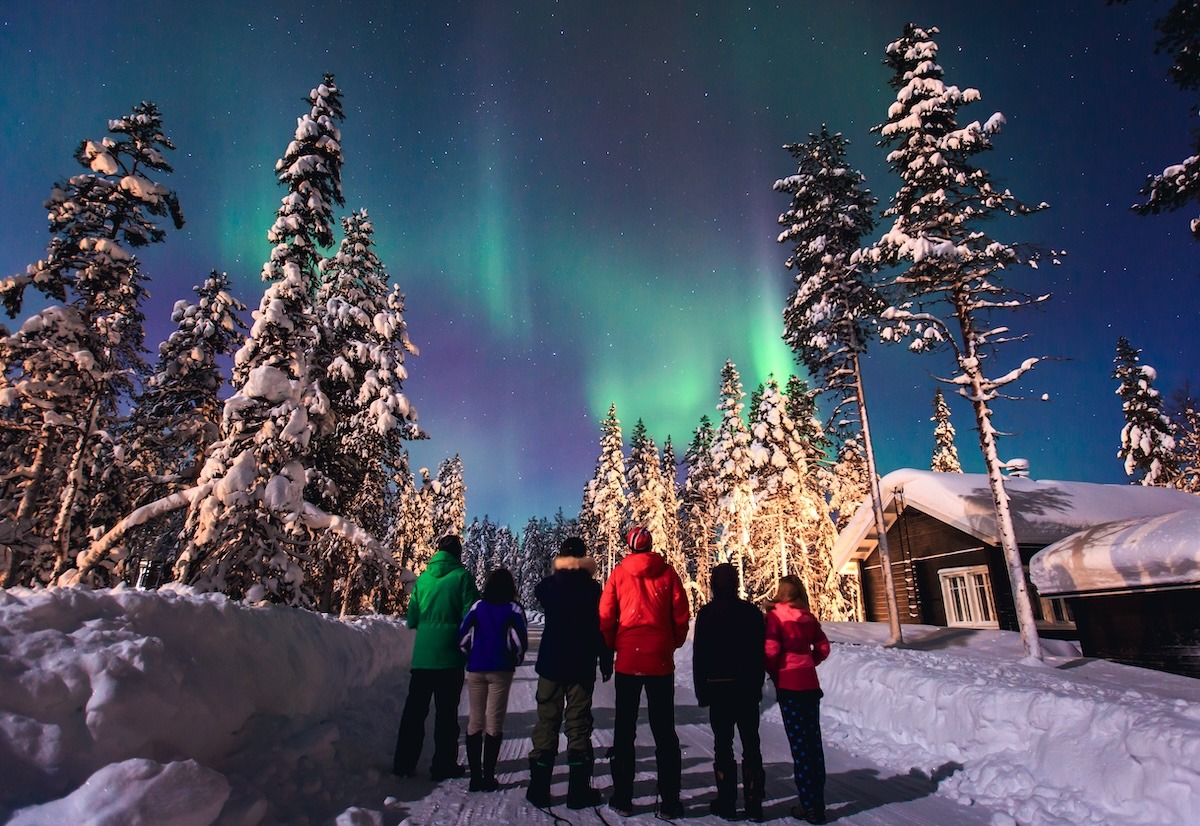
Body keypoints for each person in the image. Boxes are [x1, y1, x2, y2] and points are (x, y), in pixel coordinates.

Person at [599, 525, 690, 818]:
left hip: (628, 661)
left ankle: (623, 798)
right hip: (659, 662)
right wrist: (671, 643)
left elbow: (606, 616)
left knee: (624, 730)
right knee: (664, 731)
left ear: (630, 546)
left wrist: (615, 645)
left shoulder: (619, 574)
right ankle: (670, 802)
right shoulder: (668, 574)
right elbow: (681, 614)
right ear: (650, 546)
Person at [526, 537, 614, 809]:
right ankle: (578, 792)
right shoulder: (593, 590)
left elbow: (538, 590)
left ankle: (539, 790)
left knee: (547, 723)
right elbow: (602, 627)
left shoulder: (550, 586)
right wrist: (605, 661)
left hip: (551, 664)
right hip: (581, 665)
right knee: (578, 725)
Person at [393, 534, 480, 780]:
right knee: (446, 715)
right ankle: (443, 765)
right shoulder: (462, 577)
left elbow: (412, 618)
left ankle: (403, 764)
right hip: (450, 657)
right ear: (458, 554)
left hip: (422, 658)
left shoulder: (423, 580)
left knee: (414, 712)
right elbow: (472, 615)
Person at [693, 563, 767, 821]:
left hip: (719, 688)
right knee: (751, 744)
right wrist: (758, 685)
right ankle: (754, 803)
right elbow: (761, 653)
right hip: (746, 688)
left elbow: (699, 656)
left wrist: (702, 691)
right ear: (736, 584)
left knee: (722, 745)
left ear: (713, 584)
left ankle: (726, 802)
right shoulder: (752, 613)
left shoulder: (707, 614)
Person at [764, 575, 831, 825]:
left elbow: (770, 650)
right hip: (810, 686)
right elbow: (823, 647)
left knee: (799, 746)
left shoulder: (775, 616)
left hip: (789, 686)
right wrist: (808, 661)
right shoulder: (807, 616)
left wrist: (775, 670)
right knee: (814, 745)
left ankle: (808, 805)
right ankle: (817, 802)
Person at [458, 567, 528, 792]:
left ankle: (475, 778)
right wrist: (514, 659)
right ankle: (488, 776)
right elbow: (519, 640)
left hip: (476, 668)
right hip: (501, 670)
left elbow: (463, 633)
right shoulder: (514, 609)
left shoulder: (478, 606)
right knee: (494, 722)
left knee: (474, 721)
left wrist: (470, 655)